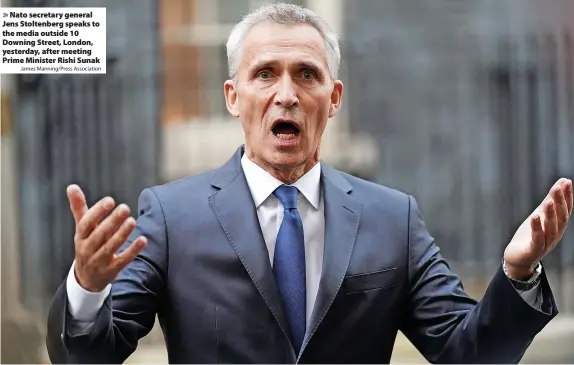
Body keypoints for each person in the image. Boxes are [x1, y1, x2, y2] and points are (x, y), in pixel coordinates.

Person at [46, 3, 572, 364]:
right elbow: (93, 355)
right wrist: (88, 288)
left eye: (306, 74)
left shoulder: (394, 219)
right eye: (265, 74)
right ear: (233, 96)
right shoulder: (169, 215)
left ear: (334, 97)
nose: (287, 94)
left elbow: (470, 354)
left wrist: (517, 272)